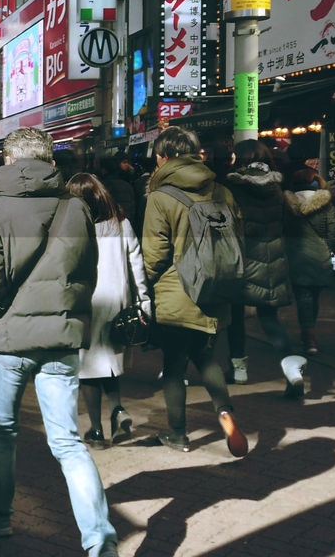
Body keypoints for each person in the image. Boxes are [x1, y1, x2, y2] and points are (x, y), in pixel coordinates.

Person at [0, 127, 117, 556]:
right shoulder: (76, 208)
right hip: (61, 336)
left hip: (10, 337)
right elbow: (88, 271)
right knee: (67, 441)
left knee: (1, 429)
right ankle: (99, 537)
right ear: (51, 163)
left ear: (8, 161)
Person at [142, 127, 247, 457]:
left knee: (174, 366)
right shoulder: (221, 191)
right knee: (206, 355)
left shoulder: (161, 197)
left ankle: (177, 434)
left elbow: (154, 255)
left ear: (162, 157)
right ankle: (224, 411)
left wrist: (142, 287)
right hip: (215, 288)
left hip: (177, 292)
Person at [66, 173, 149, 449]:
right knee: (109, 362)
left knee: (89, 367)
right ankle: (118, 410)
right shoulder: (121, 223)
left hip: (86, 301)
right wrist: (144, 300)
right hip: (117, 301)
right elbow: (136, 262)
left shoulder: (73, 227)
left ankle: (97, 430)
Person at [223, 140, 302, 397]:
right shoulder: (276, 189)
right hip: (273, 261)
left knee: (234, 318)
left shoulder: (232, 188)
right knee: (270, 319)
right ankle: (291, 366)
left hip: (242, 261)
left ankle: (239, 369)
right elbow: (290, 226)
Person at [283, 168, 335, 355]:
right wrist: (331, 253)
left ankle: (308, 336)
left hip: (296, 256)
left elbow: (284, 231)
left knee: (303, 297)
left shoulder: (287, 205)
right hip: (321, 256)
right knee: (314, 296)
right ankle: (309, 333)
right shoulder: (326, 205)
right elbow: (332, 234)